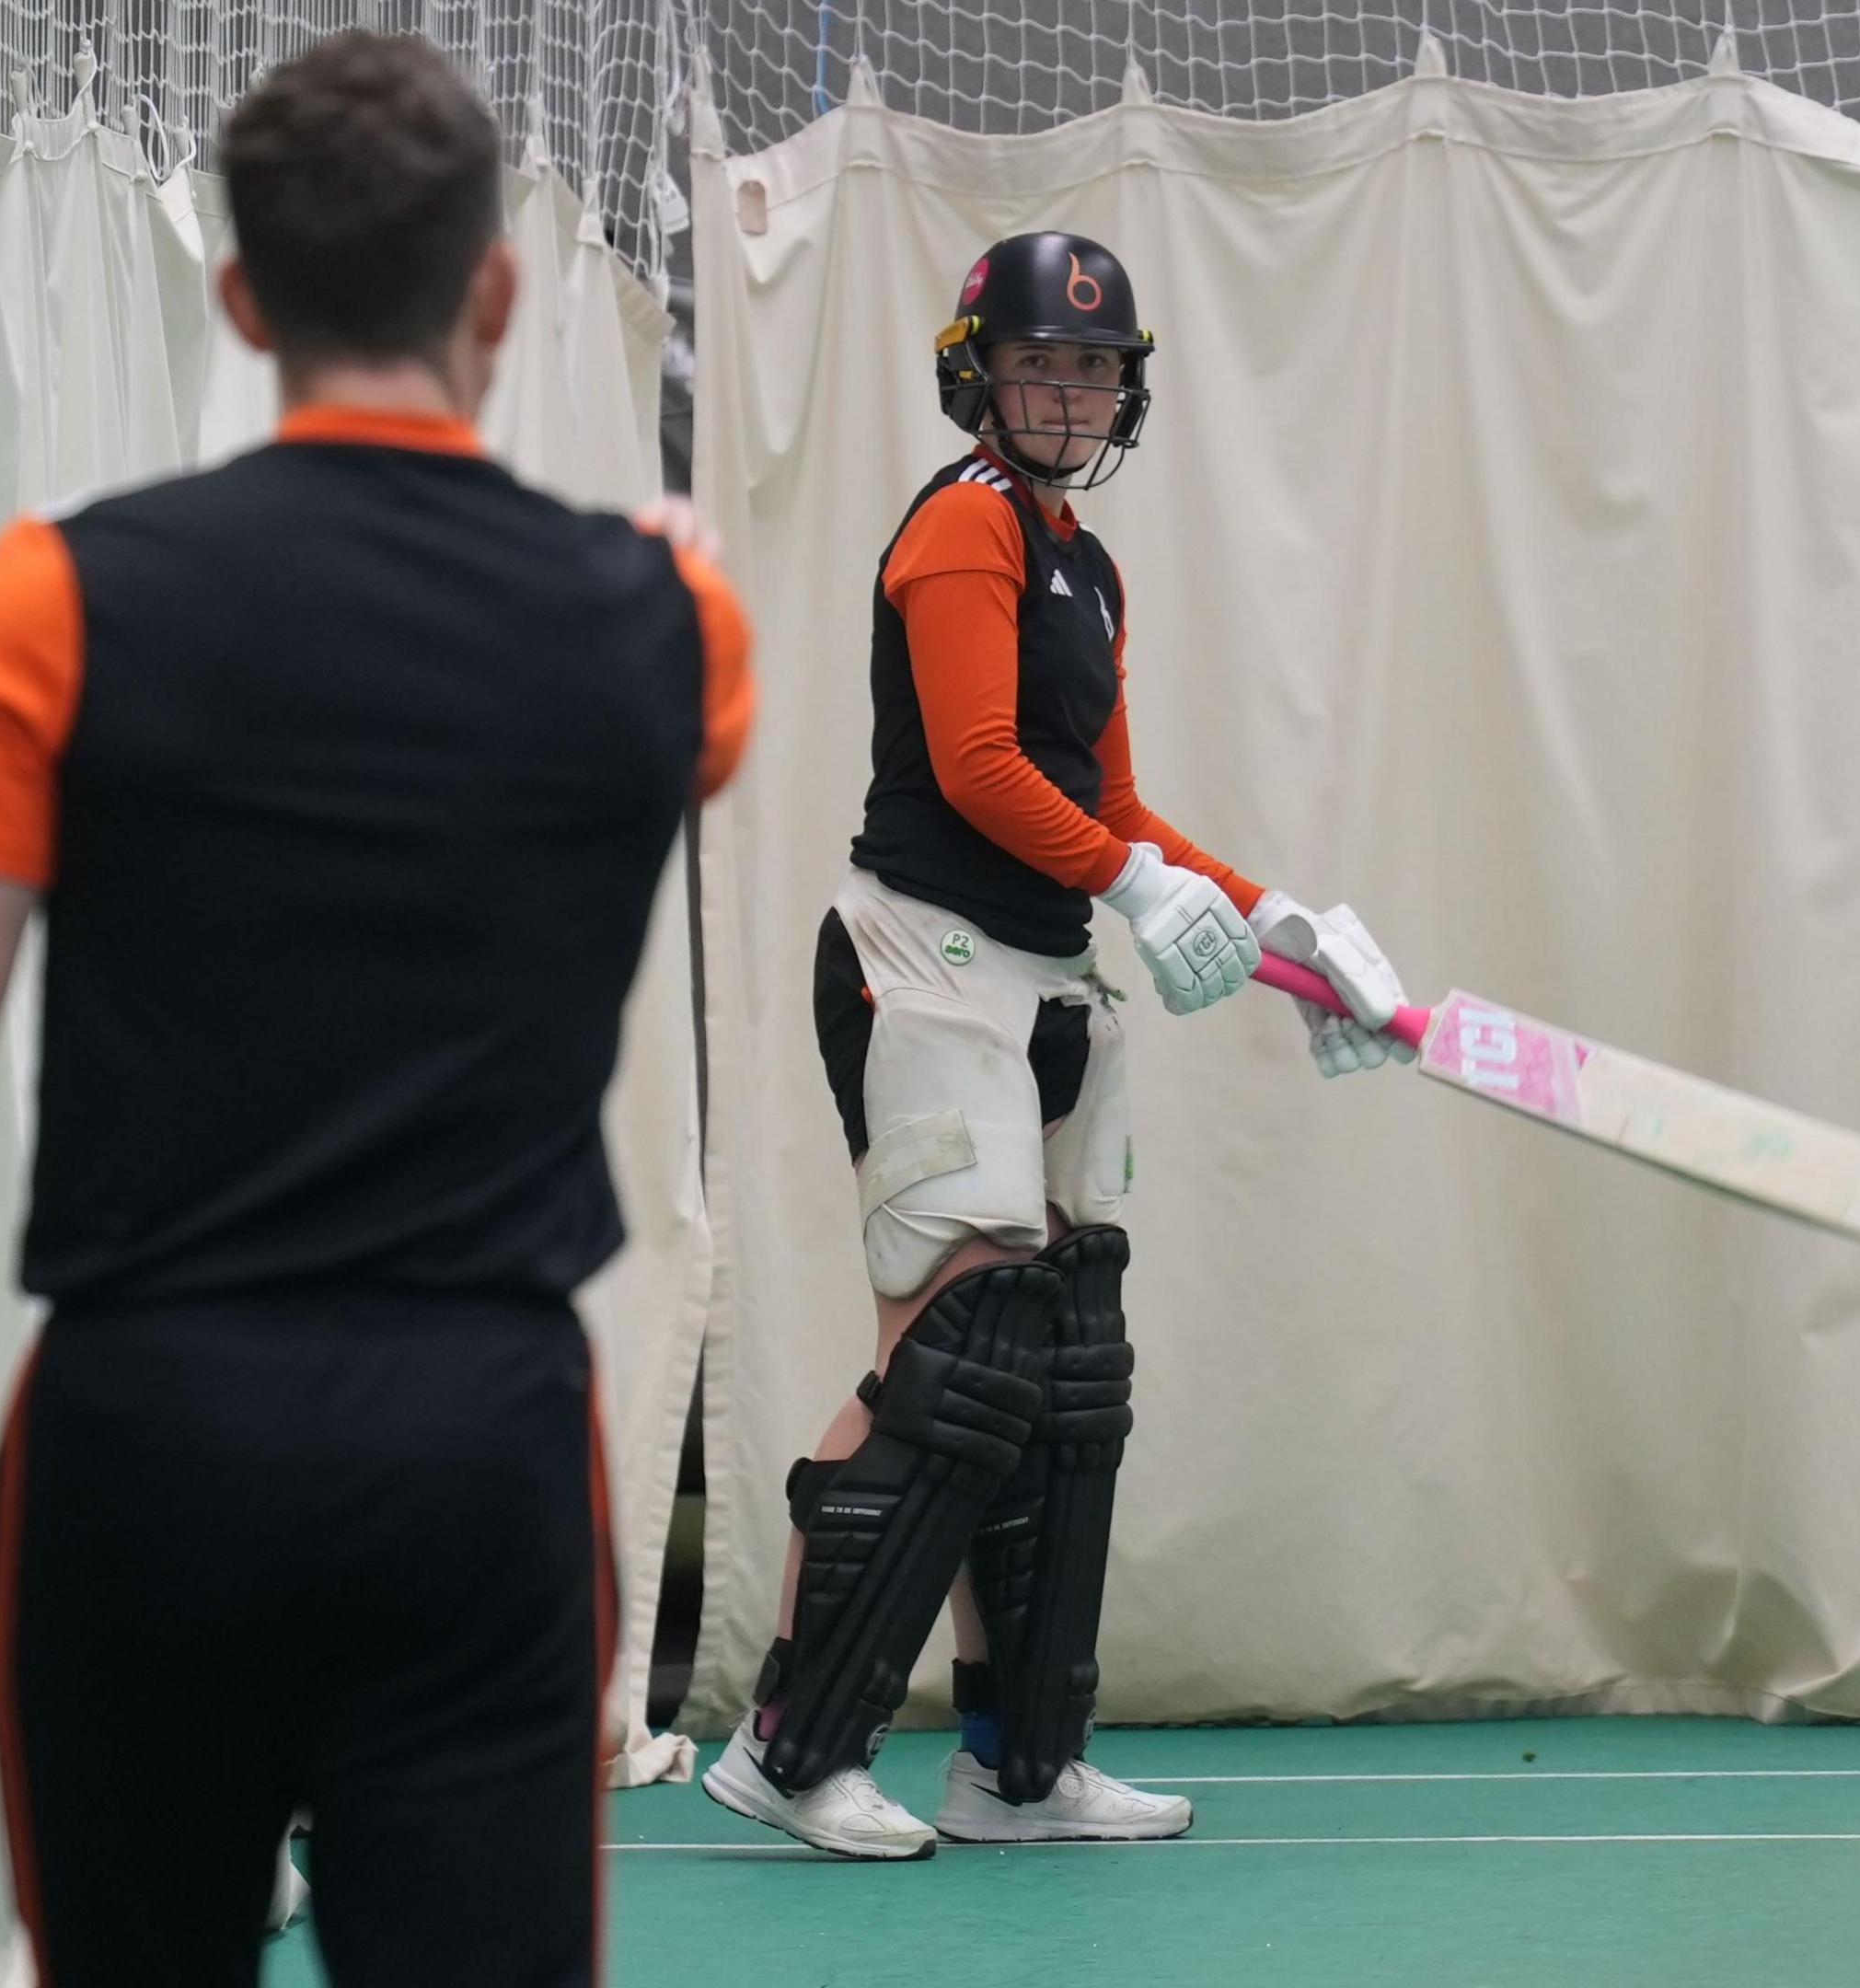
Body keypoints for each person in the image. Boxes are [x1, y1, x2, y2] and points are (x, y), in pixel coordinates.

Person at [0, 32, 751, 1984]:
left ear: (243, 297)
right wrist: (652, 574)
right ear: (494, 288)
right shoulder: (664, 627)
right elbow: (680, 713)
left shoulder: (57, 595)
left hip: (146, 1450)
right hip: (470, 1448)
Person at [699, 230, 1415, 1859]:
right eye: (1043, 361)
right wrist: (1137, 884)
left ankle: (1020, 1766)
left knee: (1059, 1370)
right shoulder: (962, 529)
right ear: (978, 371)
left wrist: (1284, 928)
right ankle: (792, 1744)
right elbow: (971, 768)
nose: (1070, 389)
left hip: (1042, 973)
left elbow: (1105, 802)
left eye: (1096, 368)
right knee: (948, 1369)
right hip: (921, 961)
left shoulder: (1084, 559)